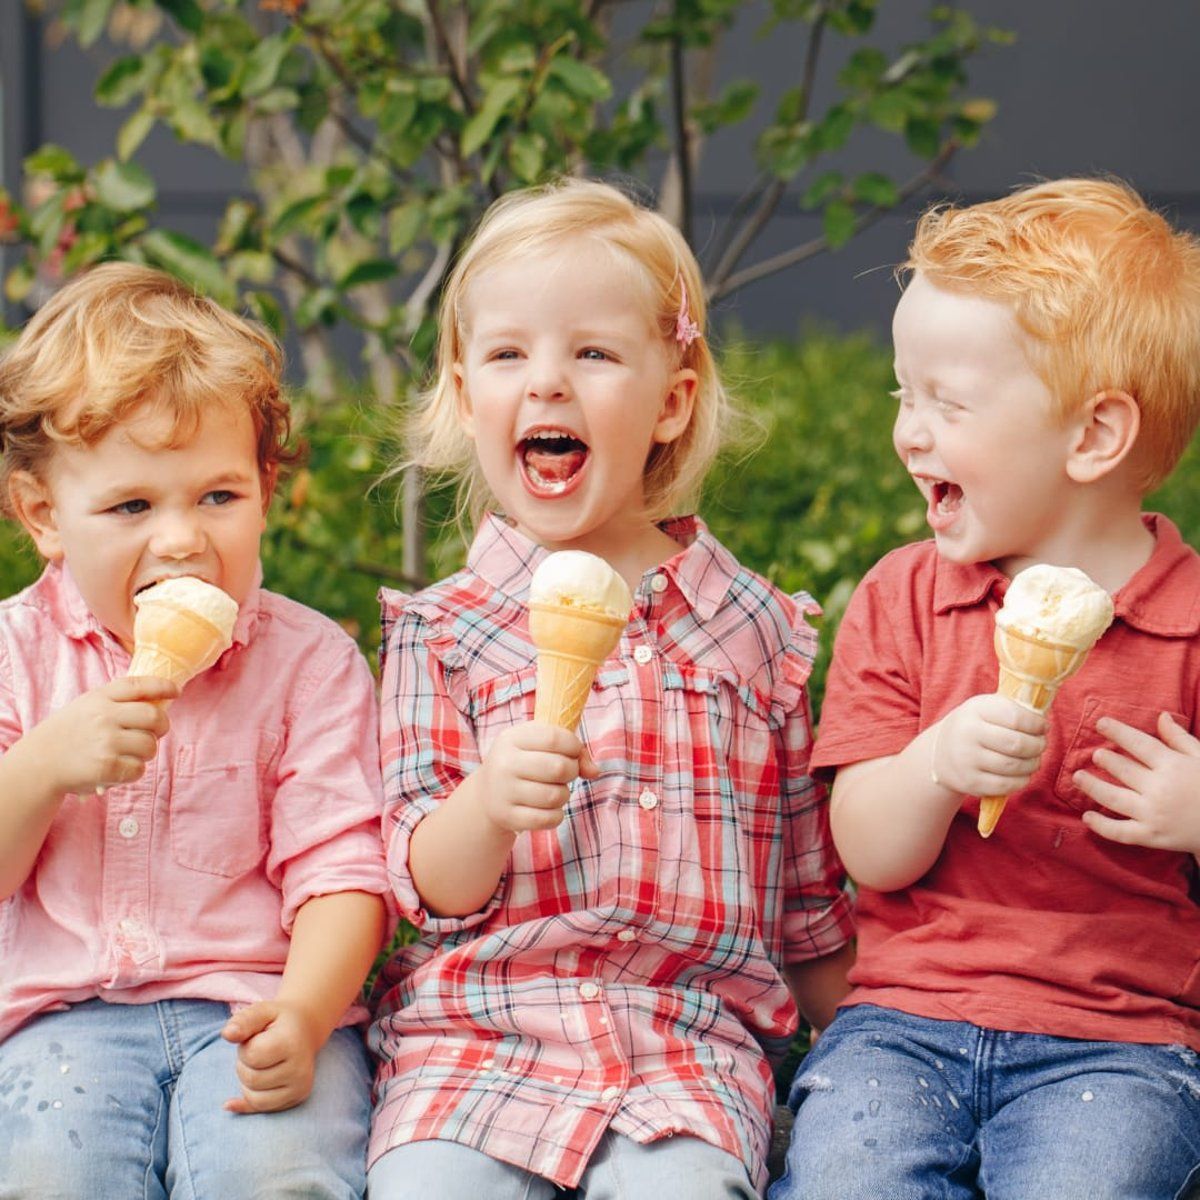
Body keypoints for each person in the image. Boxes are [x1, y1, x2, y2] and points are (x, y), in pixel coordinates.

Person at [367, 177, 854, 1199]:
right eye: (508, 354)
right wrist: (488, 806)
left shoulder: (755, 631)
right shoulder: (443, 632)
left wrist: (869, 1049)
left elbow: (806, 902)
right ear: (465, 396)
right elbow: (428, 886)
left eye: (591, 352)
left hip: (687, 1054)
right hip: (477, 1043)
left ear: (672, 399)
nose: (547, 383)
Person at [770, 177, 1200, 1200]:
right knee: (846, 1181)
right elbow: (866, 848)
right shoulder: (905, 600)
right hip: (903, 1028)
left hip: (1122, 1045)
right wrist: (931, 766)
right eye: (900, 395)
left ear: (1092, 437)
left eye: (944, 404)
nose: (909, 433)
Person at [0, 262, 390, 1199]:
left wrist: (303, 1012)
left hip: (260, 1004)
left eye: (217, 496)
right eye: (133, 506)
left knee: (282, 1177)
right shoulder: (15, 654)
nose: (180, 539)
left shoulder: (310, 666)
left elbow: (344, 873)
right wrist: (40, 767)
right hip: (62, 1018)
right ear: (45, 515)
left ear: (265, 486)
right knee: (54, 1176)